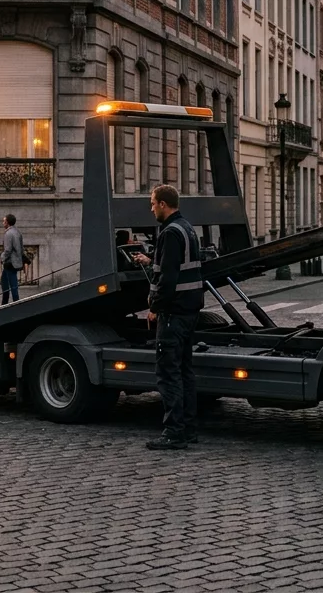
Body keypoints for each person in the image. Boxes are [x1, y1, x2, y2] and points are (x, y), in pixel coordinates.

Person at [131, 185, 204, 451]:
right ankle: (188, 428)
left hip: (173, 313)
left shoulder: (169, 233)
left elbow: (169, 279)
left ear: (163, 204)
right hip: (189, 310)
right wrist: (151, 260)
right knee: (184, 372)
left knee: (168, 374)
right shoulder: (187, 228)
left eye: (152, 204)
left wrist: (156, 307)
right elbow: (176, 266)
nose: (151, 209)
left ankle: (174, 432)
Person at [0, 214, 24, 305]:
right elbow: (22, 248)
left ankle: (15, 304)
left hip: (10, 262)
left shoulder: (8, 233)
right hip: (15, 262)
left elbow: (8, 250)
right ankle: (4, 304)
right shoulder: (18, 232)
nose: (3, 223)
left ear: (7, 222)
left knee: (11, 285)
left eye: (4, 221)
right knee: (6, 282)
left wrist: (2, 258)